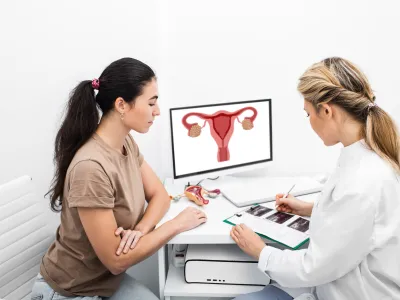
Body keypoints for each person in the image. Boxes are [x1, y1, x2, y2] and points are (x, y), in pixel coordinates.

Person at [31, 57, 207, 300]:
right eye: (151, 102)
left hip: (104, 282)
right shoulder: (90, 168)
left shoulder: (125, 142)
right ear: (122, 105)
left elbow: (160, 195)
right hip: (71, 291)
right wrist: (176, 224)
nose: (157, 111)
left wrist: (141, 229)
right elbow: (116, 260)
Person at [230, 57, 400, 300]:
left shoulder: (364, 181)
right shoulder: (365, 157)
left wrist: (261, 252)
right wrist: (311, 209)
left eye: (308, 114)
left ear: (327, 110)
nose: (309, 121)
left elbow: (314, 267)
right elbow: (359, 221)